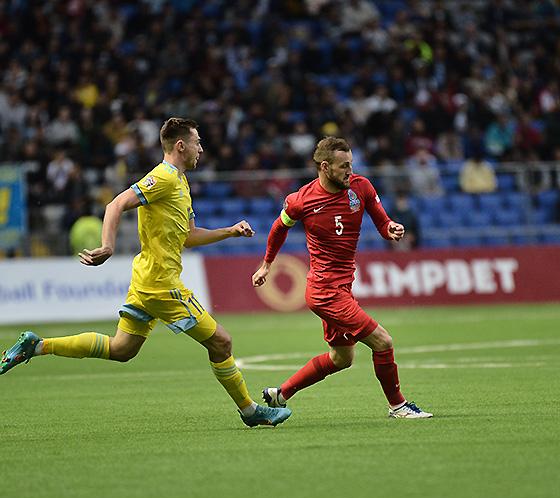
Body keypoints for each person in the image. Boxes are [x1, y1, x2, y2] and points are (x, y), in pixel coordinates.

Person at [0, 117, 291, 429]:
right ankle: (250, 411)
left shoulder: (180, 181)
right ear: (181, 146)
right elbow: (115, 204)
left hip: (146, 280)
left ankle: (38, 345)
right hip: (161, 284)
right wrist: (107, 245)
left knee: (121, 349)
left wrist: (229, 231)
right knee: (222, 342)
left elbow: (189, 237)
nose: (201, 149)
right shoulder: (163, 177)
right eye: (197, 142)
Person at [251, 137, 432, 419]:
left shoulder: (361, 187)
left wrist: (390, 229)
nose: (350, 171)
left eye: (351, 164)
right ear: (325, 167)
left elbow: (381, 221)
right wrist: (266, 265)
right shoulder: (302, 200)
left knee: (342, 358)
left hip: (342, 287)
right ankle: (398, 406)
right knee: (383, 341)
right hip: (325, 291)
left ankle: (281, 393)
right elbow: (278, 228)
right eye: (344, 166)